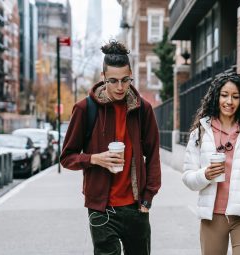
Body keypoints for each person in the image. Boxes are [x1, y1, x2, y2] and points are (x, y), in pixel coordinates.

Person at [60, 40, 161, 255]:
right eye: (113, 81)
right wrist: (95, 159)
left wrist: (147, 199)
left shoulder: (143, 109)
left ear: (131, 74)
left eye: (125, 80)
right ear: (103, 77)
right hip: (101, 209)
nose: (120, 87)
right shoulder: (84, 109)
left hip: (136, 207)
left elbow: (153, 155)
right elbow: (67, 157)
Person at [182, 72, 240, 255]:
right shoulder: (200, 133)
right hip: (212, 216)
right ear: (216, 96)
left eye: (235, 96)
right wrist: (205, 175)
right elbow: (187, 176)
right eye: (224, 95)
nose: (229, 101)